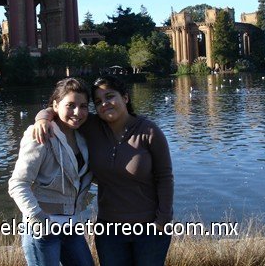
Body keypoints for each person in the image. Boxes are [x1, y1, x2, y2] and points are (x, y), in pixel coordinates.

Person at [34, 75, 174, 266]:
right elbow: (62, 109)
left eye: (110, 96)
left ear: (125, 97)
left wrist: (163, 220)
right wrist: (42, 119)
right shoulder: (91, 127)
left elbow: (164, 177)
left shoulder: (149, 131)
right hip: (109, 231)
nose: (105, 104)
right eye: (98, 101)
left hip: (149, 230)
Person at [9, 78, 94, 266]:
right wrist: (39, 219)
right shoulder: (41, 134)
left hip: (71, 226)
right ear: (55, 105)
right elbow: (17, 184)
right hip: (42, 229)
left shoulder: (84, 135)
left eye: (83, 106)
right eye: (70, 105)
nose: (77, 112)